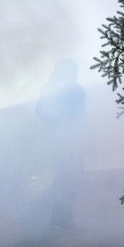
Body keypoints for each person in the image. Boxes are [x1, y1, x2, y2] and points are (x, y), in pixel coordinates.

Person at [35, 58, 86, 230]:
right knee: (63, 180)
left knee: (71, 180)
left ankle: (64, 219)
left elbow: (82, 117)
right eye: (71, 72)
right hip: (59, 143)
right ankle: (58, 220)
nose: (74, 76)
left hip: (73, 142)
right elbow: (42, 111)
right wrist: (58, 126)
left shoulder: (78, 90)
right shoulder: (51, 90)